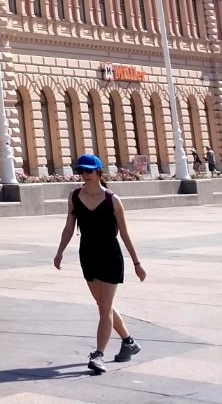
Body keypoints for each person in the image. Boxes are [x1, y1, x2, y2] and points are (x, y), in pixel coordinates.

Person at [53, 153, 146, 374]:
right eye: (80, 171)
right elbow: (69, 227)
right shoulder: (75, 196)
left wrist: (137, 263)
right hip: (88, 256)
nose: (84, 174)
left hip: (110, 256)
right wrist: (59, 252)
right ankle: (129, 342)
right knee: (103, 304)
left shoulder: (112, 199)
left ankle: (98, 355)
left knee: (104, 307)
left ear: (98, 172)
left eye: (88, 170)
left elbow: (124, 234)